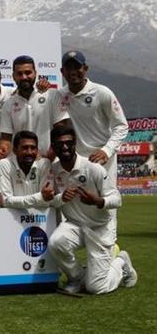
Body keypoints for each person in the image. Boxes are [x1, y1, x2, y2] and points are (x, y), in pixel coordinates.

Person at [48, 125, 137, 294]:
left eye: (69, 143)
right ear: (53, 147)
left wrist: (98, 201)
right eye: (60, 144)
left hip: (100, 227)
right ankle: (76, 278)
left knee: (96, 287)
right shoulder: (54, 171)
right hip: (74, 225)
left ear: (75, 143)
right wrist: (61, 198)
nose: (65, 147)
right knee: (56, 243)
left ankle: (120, 262)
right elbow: (50, 201)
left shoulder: (93, 168)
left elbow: (117, 199)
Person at [51, 50, 128, 183]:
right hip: (76, 161)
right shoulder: (59, 95)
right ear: (62, 72)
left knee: (105, 201)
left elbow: (121, 125)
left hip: (102, 158)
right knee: (76, 201)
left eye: (77, 67)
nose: (73, 71)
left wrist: (106, 150)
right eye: (68, 68)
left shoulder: (102, 92)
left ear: (85, 69)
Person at [0, 55, 67, 161]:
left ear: (35, 73)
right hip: (22, 163)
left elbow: (61, 129)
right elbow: (6, 137)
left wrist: (52, 153)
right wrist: (2, 150)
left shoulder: (52, 96)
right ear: (13, 76)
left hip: (50, 160)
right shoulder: (8, 104)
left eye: (28, 72)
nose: (24, 77)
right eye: (19, 74)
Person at [0, 131, 54, 209]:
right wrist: (39, 197)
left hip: (39, 218)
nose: (29, 152)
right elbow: (5, 201)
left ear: (37, 150)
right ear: (15, 150)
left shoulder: (44, 164)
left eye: (33, 148)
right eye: (24, 148)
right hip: (10, 218)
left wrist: (42, 198)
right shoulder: (4, 165)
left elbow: (46, 202)